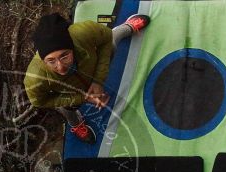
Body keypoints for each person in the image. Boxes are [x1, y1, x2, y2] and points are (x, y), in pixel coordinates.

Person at [24, 12, 151, 144]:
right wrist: (81, 97)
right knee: (68, 108)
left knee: (111, 43)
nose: (60, 67)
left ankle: (125, 28)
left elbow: (106, 38)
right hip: (67, 93)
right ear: (43, 60)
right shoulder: (35, 78)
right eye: (51, 61)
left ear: (72, 47)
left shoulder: (84, 32)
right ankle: (75, 124)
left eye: (64, 56)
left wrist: (98, 81)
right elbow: (39, 102)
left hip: (92, 64)